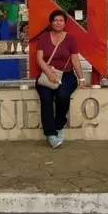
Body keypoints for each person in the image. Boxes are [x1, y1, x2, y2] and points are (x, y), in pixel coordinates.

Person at [35, 9, 85, 148]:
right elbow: (39, 59)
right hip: (46, 75)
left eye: (61, 20)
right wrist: (49, 73)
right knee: (46, 98)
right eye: (55, 20)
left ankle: (59, 126)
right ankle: (51, 134)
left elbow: (75, 59)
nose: (58, 22)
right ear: (51, 22)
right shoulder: (44, 37)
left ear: (64, 23)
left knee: (63, 95)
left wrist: (81, 78)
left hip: (66, 75)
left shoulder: (70, 38)